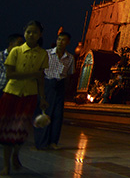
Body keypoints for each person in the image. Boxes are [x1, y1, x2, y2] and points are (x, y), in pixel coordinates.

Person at [0, 22, 49, 176]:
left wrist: (43, 97)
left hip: (29, 95)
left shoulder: (43, 54)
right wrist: (31, 75)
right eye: (28, 32)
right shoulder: (16, 51)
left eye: (34, 32)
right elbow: (10, 74)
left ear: (40, 35)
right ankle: (6, 165)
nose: (31, 35)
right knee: (6, 129)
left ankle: (16, 153)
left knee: (21, 129)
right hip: (12, 93)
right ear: (24, 33)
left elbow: (41, 78)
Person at [34, 32, 75, 150]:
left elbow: (69, 75)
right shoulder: (46, 54)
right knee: (45, 113)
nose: (60, 42)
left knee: (57, 115)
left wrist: (66, 90)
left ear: (68, 42)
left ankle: (53, 142)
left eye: (63, 40)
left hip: (60, 85)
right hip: (47, 84)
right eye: (59, 39)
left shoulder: (70, 58)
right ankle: (41, 142)